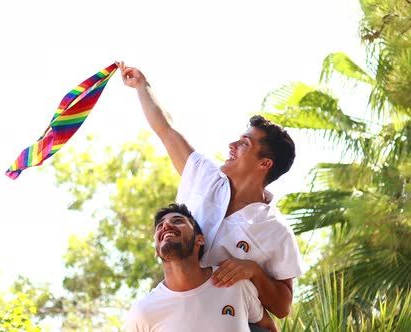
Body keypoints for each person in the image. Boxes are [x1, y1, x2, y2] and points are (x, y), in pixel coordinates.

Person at [118, 62, 303, 319]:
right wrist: (141, 85)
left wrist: (252, 270)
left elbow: (282, 308)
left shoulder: (276, 231)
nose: (232, 145)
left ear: (264, 163)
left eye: (244, 143)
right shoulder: (203, 177)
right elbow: (166, 130)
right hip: (179, 311)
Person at [125, 203, 277, 332]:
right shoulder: (143, 312)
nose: (166, 225)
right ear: (156, 251)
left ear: (200, 239)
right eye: (160, 226)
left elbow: (268, 327)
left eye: (178, 221)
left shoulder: (234, 283)